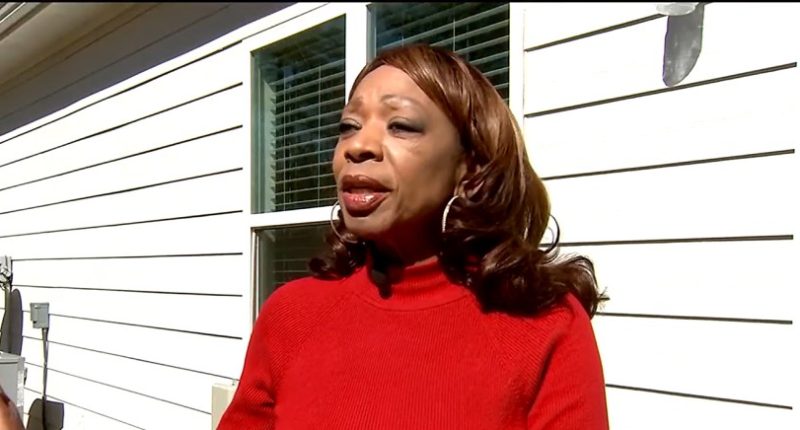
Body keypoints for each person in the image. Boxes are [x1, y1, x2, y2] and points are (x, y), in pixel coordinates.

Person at [219, 44, 609, 429]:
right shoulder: (291, 314)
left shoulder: (545, 322)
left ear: (469, 166)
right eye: (348, 127)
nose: (358, 146)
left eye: (400, 126)